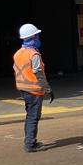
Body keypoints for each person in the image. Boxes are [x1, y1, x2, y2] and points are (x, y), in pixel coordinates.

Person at [13, 23, 54, 153]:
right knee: (33, 117)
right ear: (33, 37)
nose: (38, 38)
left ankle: (29, 141)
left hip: (23, 89)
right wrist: (48, 89)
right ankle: (30, 143)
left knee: (29, 116)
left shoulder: (18, 53)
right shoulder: (33, 54)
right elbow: (38, 73)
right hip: (34, 90)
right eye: (37, 35)